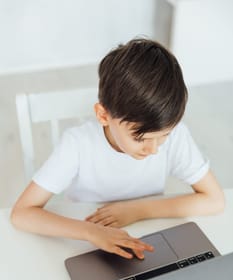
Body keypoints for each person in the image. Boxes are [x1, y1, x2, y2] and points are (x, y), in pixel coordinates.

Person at [11, 38, 225, 260]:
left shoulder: (176, 136)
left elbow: (215, 200)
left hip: (147, 234)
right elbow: (21, 213)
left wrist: (137, 210)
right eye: (140, 138)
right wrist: (91, 232)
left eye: (164, 136)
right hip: (87, 240)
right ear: (103, 115)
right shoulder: (77, 145)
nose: (154, 149)